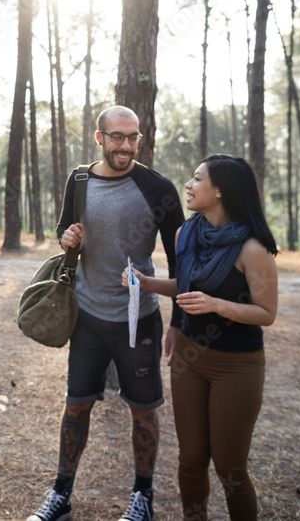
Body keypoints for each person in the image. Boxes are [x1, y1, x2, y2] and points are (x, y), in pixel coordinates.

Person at [28, 105, 185, 521]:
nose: (126, 146)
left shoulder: (159, 188)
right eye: (117, 137)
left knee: (143, 409)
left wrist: (181, 322)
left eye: (133, 138)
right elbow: (65, 233)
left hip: (139, 321)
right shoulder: (79, 179)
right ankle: (60, 496)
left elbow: (181, 262)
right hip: (88, 317)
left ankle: (142, 498)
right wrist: (67, 240)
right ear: (100, 138)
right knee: (76, 405)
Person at [124, 154, 278, 521]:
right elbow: (187, 286)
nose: (188, 186)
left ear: (221, 190)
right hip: (189, 360)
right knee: (191, 460)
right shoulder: (186, 233)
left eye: (197, 179)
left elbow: (266, 314)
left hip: (236, 366)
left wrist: (217, 305)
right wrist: (148, 283)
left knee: (229, 468)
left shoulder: (253, 249)